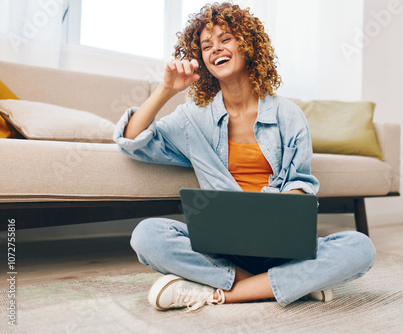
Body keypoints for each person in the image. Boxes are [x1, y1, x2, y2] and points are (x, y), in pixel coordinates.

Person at [114, 2, 376, 311]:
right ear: (201, 58)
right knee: (147, 235)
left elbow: (298, 184)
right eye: (206, 45)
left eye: (225, 39)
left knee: (360, 247)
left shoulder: (289, 115)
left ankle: (220, 293)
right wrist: (165, 90)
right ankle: (287, 284)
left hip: (280, 245)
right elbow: (133, 141)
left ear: (247, 44)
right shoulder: (192, 118)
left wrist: (280, 217)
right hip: (222, 247)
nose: (215, 49)